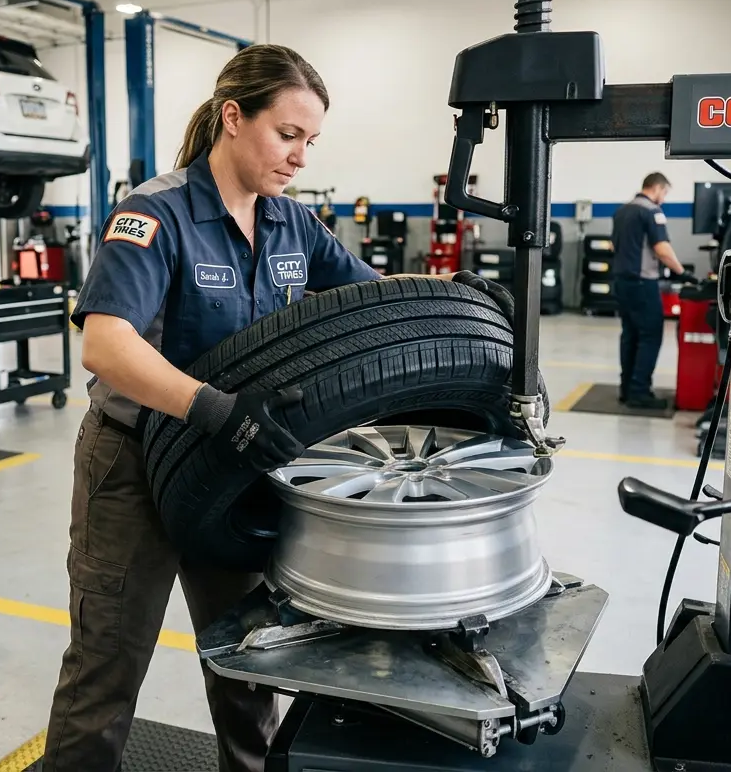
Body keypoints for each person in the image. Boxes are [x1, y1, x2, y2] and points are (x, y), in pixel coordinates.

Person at [42, 43, 516, 771]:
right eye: (287, 135)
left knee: (248, 661)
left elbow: (375, 297)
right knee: (107, 666)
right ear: (233, 117)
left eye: (311, 141)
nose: (300, 157)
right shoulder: (155, 212)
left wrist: (457, 295)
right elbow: (106, 346)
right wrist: (216, 411)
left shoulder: (293, 225)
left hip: (231, 467)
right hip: (134, 464)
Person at [610, 172, 685, 410]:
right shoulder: (652, 212)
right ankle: (640, 392)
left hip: (622, 281)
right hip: (643, 283)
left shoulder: (622, 211)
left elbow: (615, 245)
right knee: (651, 335)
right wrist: (682, 272)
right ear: (657, 188)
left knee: (630, 334)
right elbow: (662, 249)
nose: (663, 199)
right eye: (664, 193)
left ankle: (626, 390)